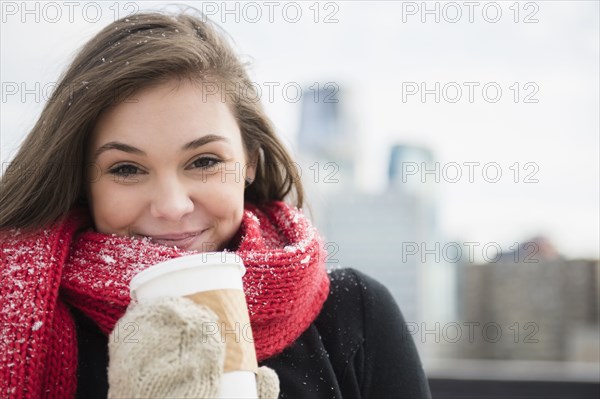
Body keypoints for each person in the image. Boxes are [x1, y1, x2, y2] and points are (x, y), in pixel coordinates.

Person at [0, 9, 432, 399]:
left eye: (204, 161)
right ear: (81, 179)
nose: (171, 206)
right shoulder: (18, 317)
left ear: (250, 162)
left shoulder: (355, 317)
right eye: (126, 169)